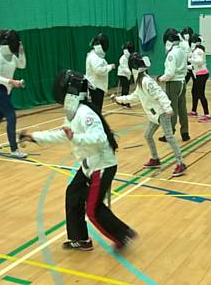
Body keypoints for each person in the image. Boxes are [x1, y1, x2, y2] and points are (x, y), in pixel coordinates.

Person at [20, 70, 137, 251]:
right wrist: (33, 136)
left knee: (93, 210)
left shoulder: (85, 113)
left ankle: (122, 235)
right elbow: (62, 135)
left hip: (102, 166)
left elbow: (100, 138)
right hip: (89, 165)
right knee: (73, 194)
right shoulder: (74, 114)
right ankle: (80, 239)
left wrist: (75, 138)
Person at [112, 53, 187, 177]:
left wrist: (168, 108)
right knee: (147, 135)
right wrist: (118, 99)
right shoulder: (140, 82)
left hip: (162, 113)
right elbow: (134, 97)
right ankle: (155, 159)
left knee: (169, 137)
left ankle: (181, 163)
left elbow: (160, 94)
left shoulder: (146, 81)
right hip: (154, 115)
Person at [0, 29, 28, 158]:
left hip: (6, 90)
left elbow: (22, 65)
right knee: (11, 116)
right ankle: (14, 149)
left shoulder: (12, 56)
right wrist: (12, 81)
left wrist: (21, 52)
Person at [158, 28, 190, 142]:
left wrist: (160, 78)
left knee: (172, 109)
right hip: (182, 83)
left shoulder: (172, 54)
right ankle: (185, 132)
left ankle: (169, 134)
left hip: (173, 84)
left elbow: (170, 73)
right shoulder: (182, 51)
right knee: (182, 109)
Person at [85, 33, 115, 112]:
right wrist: (109, 67)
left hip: (96, 86)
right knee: (96, 111)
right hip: (95, 87)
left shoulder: (95, 56)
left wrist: (108, 66)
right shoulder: (93, 56)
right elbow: (99, 70)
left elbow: (100, 66)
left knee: (97, 110)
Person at [189, 35, 211, 122]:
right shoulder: (196, 51)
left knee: (201, 94)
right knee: (194, 91)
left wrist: (191, 60)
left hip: (202, 75)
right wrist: (185, 66)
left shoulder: (198, 51)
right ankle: (194, 110)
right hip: (199, 74)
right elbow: (195, 66)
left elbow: (199, 62)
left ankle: (207, 114)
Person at [116, 41, 134, 109]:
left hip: (127, 75)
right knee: (125, 88)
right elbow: (124, 68)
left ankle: (123, 101)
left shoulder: (130, 57)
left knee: (126, 88)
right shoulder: (122, 58)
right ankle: (124, 103)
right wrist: (131, 73)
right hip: (122, 74)